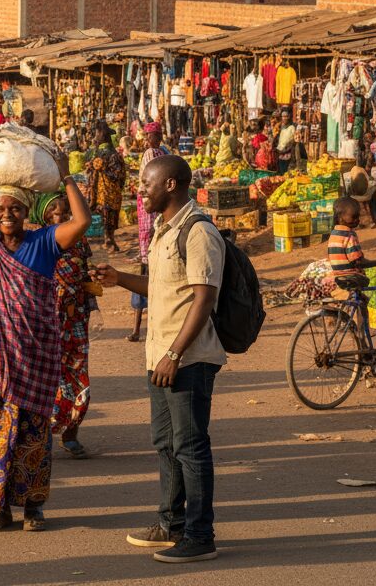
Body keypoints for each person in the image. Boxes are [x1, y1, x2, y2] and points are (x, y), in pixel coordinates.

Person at [0, 140, 90, 532]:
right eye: (1, 209)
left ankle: (33, 507)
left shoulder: (43, 242)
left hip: (35, 356)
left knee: (34, 438)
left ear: (27, 212)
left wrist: (65, 176)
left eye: (15, 209)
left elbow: (81, 222)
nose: (7, 215)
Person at [92, 155, 226, 563]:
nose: (140, 190)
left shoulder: (199, 231)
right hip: (161, 357)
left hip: (186, 359)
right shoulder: (164, 232)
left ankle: (201, 536)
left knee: (190, 446)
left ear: (170, 185)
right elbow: (160, 286)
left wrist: (173, 354)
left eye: (146, 183)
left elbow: (204, 300)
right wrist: (119, 279)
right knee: (165, 444)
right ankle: (170, 525)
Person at [37, 193, 98, 460]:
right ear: (42, 215)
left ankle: (71, 433)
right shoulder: (37, 242)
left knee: (77, 376)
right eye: (53, 212)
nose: (59, 217)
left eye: (64, 212)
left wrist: (93, 279)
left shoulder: (80, 241)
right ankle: (40, 436)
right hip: (44, 323)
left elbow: (85, 274)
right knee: (47, 380)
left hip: (75, 322)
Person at [132, 122, 169, 342]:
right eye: (148, 136)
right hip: (151, 213)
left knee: (146, 268)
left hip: (151, 213)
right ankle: (140, 327)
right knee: (148, 269)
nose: (149, 140)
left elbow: (150, 183)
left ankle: (138, 328)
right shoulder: (156, 153)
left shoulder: (154, 153)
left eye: (152, 136)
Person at [328, 197, 376, 286]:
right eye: (354, 217)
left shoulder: (333, 234)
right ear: (340, 217)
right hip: (354, 277)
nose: (358, 220)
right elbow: (360, 262)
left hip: (339, 278)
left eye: (358, 216)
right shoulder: (349, 235)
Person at [85, 124, 126, 253]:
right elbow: (91, 169)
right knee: (102, 215)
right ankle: (108, 240)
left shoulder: (114, 155)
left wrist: (102, 168)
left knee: (109, 216)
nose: (96, 136)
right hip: (98, 192)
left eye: (99, 133)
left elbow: (118, 175)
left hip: (110, 193)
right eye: (96, 133)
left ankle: (110, 240)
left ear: (105, 136)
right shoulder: (97, 152)